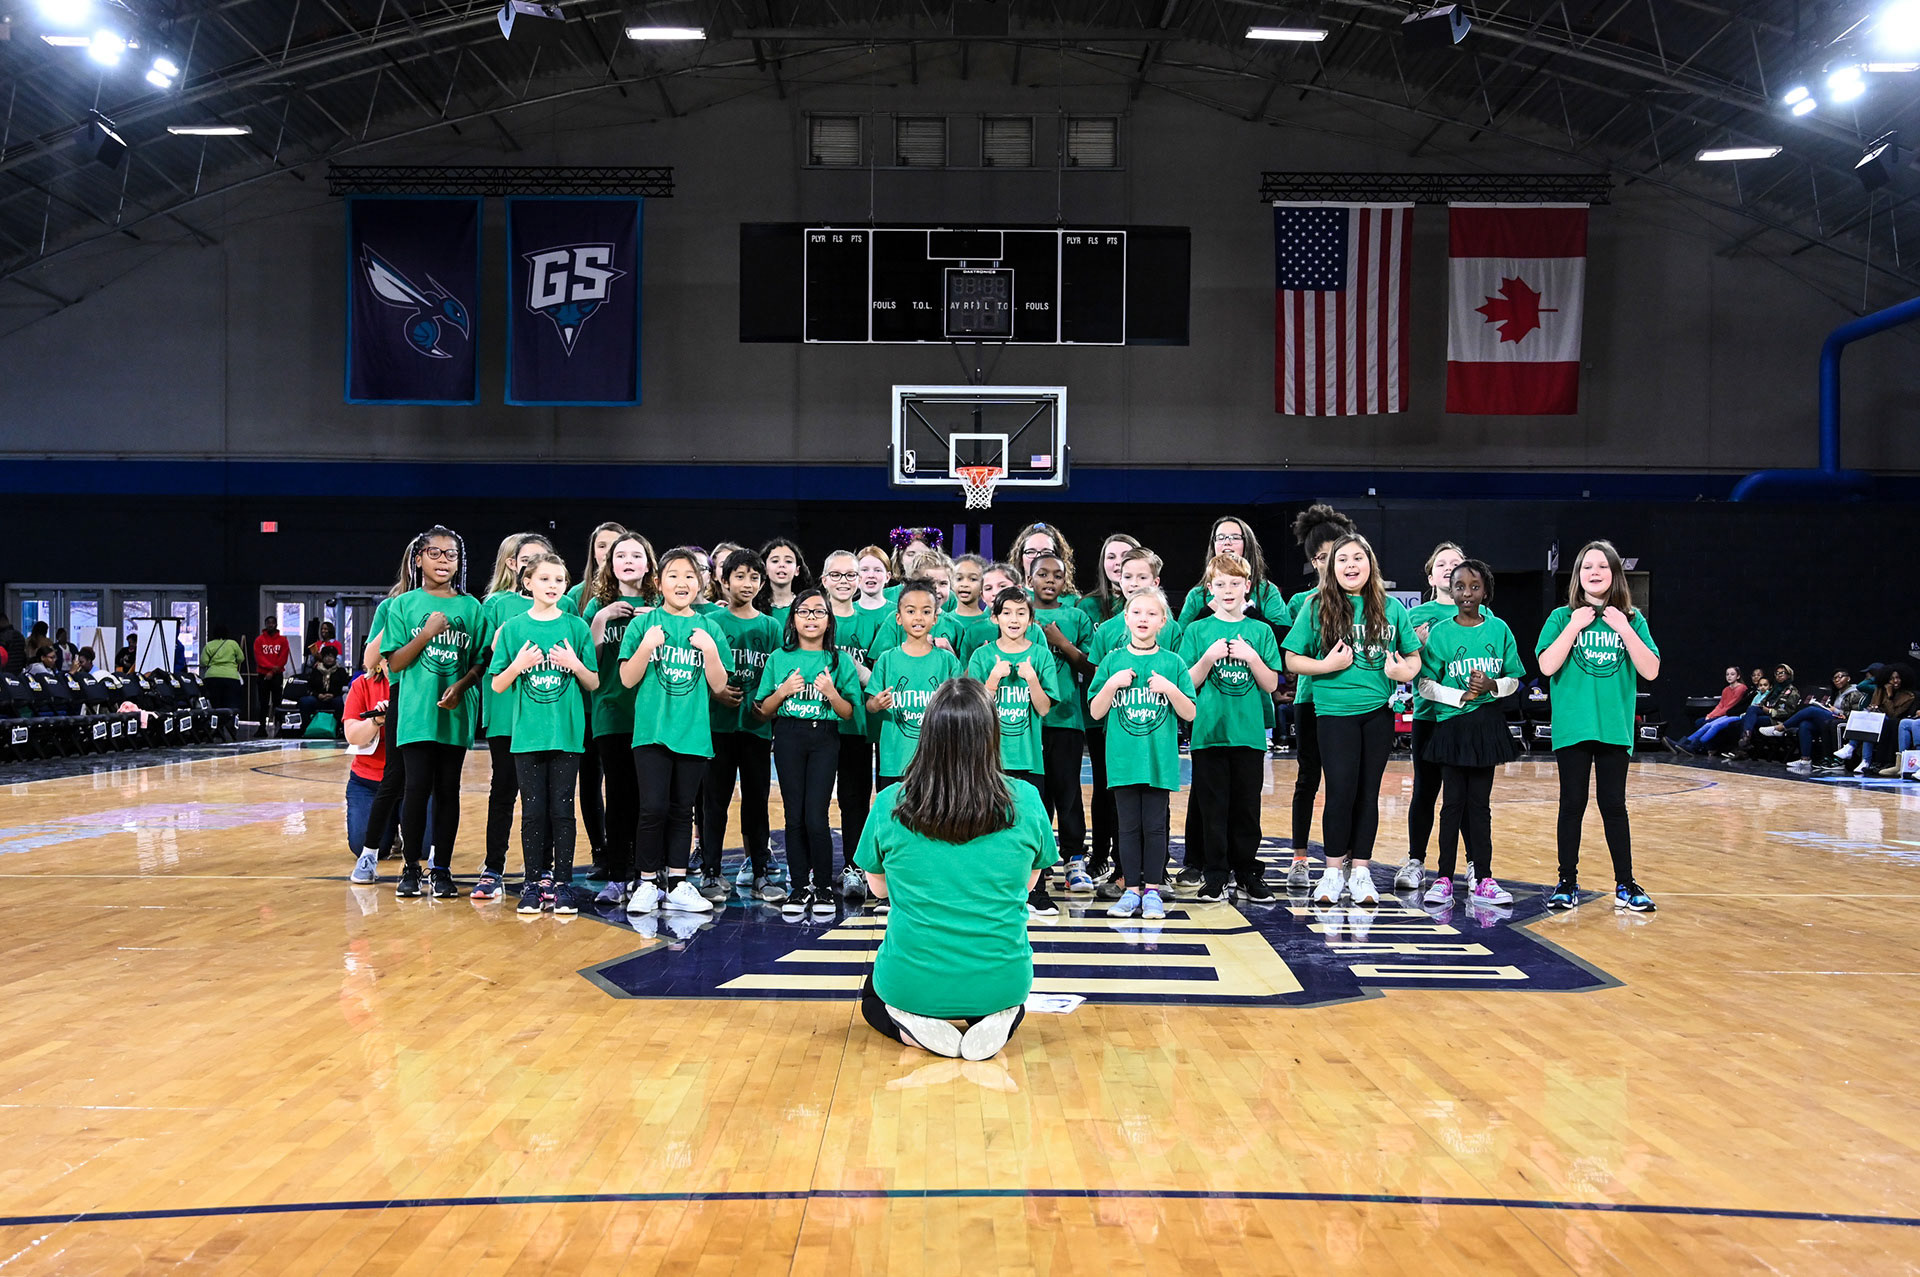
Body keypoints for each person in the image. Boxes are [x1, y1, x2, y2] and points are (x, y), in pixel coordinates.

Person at [854, 677, 1056, 1060]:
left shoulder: (889, 803)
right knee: (1004, 993)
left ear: (928, 734)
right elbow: (1028, 884)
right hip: (1002, 980)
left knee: (872, 999)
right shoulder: (1027, 800)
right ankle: (998, 1017)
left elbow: (879, 890)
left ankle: (915, 1027)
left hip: (911, 981)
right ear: (991, 734)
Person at [1283, 533, 1421, 907]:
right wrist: (1326, 666)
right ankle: (1331, 873)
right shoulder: (1316, 606)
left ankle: (1360, 872)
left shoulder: (1392, 608)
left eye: (1358, 557)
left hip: (1378, 712)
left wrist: (1402, 671)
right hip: (1334, 713)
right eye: (1342, 559)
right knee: (1340, 792)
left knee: (1367, 794)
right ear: (1330, 567)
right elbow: (1292, 659)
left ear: (1370, 563)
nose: (1350, 565)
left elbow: (1414, 659)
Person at [1534, 539, 1661, 913]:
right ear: (1577, 575)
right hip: (1574, 726)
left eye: (1602, 566)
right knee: (1571, 804)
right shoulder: (1561, 617)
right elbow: (1546, 666)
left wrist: (1623, 626)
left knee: (1614, 805)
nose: (1594, 572)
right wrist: (1574, 627)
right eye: (1587, 566)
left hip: (1613, 726)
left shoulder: (1632, 619)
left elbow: (1650, 670)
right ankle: (1566, 882)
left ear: (1614, 574)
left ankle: (1626, 883)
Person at [620, 547, 731, 916]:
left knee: (683, 811)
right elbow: (627, 678)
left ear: (700, 583)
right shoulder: (644, 625)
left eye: (688, 576)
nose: (681, 582)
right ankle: (648, 882)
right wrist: (646, 647)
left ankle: (680, 882)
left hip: (693, 734)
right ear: (658, 582)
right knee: (652, 808)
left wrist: (711, 650)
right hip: (651, 732)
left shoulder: (710, 628)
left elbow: (719, 685)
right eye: (673, 575)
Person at [383, 526, 492, 901]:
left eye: (451, 555)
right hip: (416, 712)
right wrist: (426, 633)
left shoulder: (471, 607)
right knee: (415, 789)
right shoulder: (402, 605)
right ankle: (411, 866)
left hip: (455, 712)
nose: (443, 561)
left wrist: (461, 687)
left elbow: (481, 661)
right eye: (435, 553)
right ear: (419, 558)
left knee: (448, 790)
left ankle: (441, 868)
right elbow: (395, 663)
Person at [489, 552, 600, 915]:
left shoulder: (576, 627)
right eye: (545, 579)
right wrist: (519, 665)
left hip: (567, 735)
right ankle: (533, 883)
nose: (553, 586)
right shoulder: (515, 628)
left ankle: (564, 883)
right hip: (527, 736)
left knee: (563, 811)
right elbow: (498, 684)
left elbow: (593, 682)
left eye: (559, 580)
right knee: (533, 812)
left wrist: (575, 664)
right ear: (527, 582)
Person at [1414, 560, 1523, 907]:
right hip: (1451, 726)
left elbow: (1515, 679)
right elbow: (1425, 684)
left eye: (1474, 587)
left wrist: (1493, 685)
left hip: (1486, 727)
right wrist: (1458, 695)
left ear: (1485, 592)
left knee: (1480, 805)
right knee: (1451, 805)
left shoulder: (1499, 629)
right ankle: (1444, 877)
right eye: (1460, 586)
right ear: (1451, 589)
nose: (1466, 593)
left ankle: (1485, 877)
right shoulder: (1442, 632)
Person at [1179, 552, 1284, 903]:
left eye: (1235, 583)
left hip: (1248, 735)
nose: (1228, 589)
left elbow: (1271, 684)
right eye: (1220, 584)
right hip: (1209, 734)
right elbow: (1186, 683)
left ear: (1247, 587)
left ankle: (1247, 872)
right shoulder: (1196, 630)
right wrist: (1208, 658)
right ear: (1209, 588)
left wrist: (1251, 657)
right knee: (1212, 807)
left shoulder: (1260, 631)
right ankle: (1215, 874)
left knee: (1246, 808)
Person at [1090, 587, 1197, 921]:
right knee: (1127, 828)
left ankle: (1152, 890)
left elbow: (1190, 713)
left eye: (1151, 614)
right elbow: (1095, 712)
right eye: (1137, 612)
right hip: (1122, 762)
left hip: (1158, 762)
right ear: (1126, 618)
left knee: (1154, 828)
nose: (1143, 619)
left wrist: (1170, 689)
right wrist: (1111, 685)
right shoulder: (1112, 661)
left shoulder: (1173, 662)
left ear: (1162, 621)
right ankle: (1130, 891)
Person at [756, 587, 862, 918]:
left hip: (825, 737)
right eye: (804, 611)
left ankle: (823, 888)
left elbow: (848, 713)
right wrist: (784, 691)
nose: (811, 618)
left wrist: (830, 692)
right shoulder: (779, 658)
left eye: (819, 612)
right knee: (794, 815)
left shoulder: (839, 661)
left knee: (816, 816)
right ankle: (800, 886)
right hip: (788, 736)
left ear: (830, 621)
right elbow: (763, 710)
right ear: (793, 619)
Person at [967, 588, 1060, 916]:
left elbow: (1045, 708)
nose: (1014, 619)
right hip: (989, 759)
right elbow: (971, 710)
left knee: (1031, 823)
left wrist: (1033, 679)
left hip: (1029, 757)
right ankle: (988, 889)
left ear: (1031, 619)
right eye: (1007, 612)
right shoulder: (981, 656)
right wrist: (991, 682)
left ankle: (1037, 890)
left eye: (1021, 613)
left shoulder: (1040, 654)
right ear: (995, 617)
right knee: (987, 822)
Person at [1281, 503, 1358, 891]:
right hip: (1311, 701)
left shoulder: (1366, 600)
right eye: (1326, 557)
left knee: (1345, 783)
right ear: (1315, 560)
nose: (1334, 563)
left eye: (1341, 554)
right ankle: (1298, 856)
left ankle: (1342, 859)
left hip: (1352, 706)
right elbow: (1293, 656)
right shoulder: (1303, 603)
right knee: (1308, 778)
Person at [702, 549, 783, 902]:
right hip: (718, 727)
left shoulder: (770, 626)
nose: (746, 583)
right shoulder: (713, 622)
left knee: (756, 801)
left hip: (756, 728)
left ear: (762, 582)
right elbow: (698, 669)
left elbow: (781, 673)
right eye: (739, 576)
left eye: (754, 577)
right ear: (724, 580)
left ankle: (761, 872)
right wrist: (716, 692)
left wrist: (768, 708)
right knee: (714, 802)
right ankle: (710, 871)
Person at [474, 533, 549, 902]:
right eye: (528, 559)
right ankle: (493, 868)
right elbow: (485, 657)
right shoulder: (497, 605)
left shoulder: (561, 603)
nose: (536, 565)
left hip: (545, 716)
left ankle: (544, 870)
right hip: (506, 715)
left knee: (546, 798)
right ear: (514, 566)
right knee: (503, 792)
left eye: (544, 558)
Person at [583, 532, 655, 906]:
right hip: (611, 710)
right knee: (619, 797)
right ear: (609, 565)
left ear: (648, 563)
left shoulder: (661, 603)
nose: (628, 561)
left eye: (636, 555)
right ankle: (616, 875)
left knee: (650, 799)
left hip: (654, 714)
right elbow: (585, 662)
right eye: (620, 555)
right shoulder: (598, 604)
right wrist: (600, 619)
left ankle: (649, 874)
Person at [1395, 541, 1466, 894]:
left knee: (1465, 795)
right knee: (1424, 790)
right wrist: (1416, 647)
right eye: (1442, 564)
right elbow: (1399, 670)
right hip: (1428, 716)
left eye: (1456, 563)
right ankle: (1416, 860)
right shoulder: (1414, 617)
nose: (1449, 569)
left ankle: (1473, 864)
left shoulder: (1484, 616)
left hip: (1467, 718)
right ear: (1430, 573)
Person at [1030, 553, 1097, 895]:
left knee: (1068, 793)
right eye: (1042, 574)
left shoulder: (1077, 617)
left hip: (1067, 718)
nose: (1050, 580)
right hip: (1025, 724)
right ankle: (1034, 862)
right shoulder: (1020, 614)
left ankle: (1074, 859)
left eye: (1057, 575)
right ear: (1031, 579)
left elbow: (1092, 668)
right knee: (1033, 796)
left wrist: (1062, 644)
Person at [566, 521, 628, 883]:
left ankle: (627, 849)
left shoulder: (646, 596)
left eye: (616, 547)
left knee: (623, 784)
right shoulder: (578, 596)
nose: (607, 553)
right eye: (602, 546)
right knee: (590, 782)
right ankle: (600, 850)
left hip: (620, 705)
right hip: (585, 704)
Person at [867, 583, 962, 792]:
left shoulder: (947, 661)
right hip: (895, 761)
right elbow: (870, 705)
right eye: (911, 611)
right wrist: (877, 703)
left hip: (936, 760)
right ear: (899, 618)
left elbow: (961, 707)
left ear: (935, 618)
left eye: (926, 611)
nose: (918, 617)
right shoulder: (887, 659)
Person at [344, 653, 409, 883]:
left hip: (412, 781)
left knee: (421, 847)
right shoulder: (362, 684)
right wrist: (376, 721)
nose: (392, 661)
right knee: (362, 844)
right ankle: (388, 831)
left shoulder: (417, 685)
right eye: (386, 657)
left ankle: (396, 828)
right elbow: (352, 736)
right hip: (368, 781)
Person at [1767, 667, 1864, 772]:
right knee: (1805, 724)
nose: (1837, 680)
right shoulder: (1837, 693)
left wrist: (1836, 711)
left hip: (1845, 721)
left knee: (1812, 710)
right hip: (1832, 719)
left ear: (1848, 678)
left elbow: (1856, 714)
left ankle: (1781, 727)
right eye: (1835, 678)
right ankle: (1805, 760)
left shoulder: (1855, 693)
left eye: (1840, 677)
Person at [759, 537, 811, 628]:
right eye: (775, 561)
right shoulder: (753, 606)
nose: (782, 565)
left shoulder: (809, 606)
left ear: (797, 570)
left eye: (788, 561)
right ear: (765, 569)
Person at [253, 617, 292, 736]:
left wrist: (273, 671)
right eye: (268, 623)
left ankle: (279, 726)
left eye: (272, 623)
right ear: (265, 624)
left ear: (276, 624)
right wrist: (271, 669)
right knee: (263, 702)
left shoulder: (283, 640)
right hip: (263, 675)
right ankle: (262, 727)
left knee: (277, 702)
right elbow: (259, 658)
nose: (270, 625)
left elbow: (283, 657)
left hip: (276, 675)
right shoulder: (259, 640)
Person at [299, 648, 350, 737]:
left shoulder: (340, 671)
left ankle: (339, 729)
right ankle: (306, 727)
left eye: (331, 656)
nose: (328, 659)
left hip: (334, 697)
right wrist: (318, 695)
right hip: (318, 697)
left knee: (340, 702)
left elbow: (343, 687)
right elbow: (310, 687)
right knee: (305, 701)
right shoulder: (316, 670)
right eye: (326, 656)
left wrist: (333, 694)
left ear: (335, 658)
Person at [200, 624, 245, 716]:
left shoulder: (209, 645)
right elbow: (241, 658)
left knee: (215, 706)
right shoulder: (233, 644)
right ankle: (229, 726)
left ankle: (216, 727)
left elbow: (204, 662)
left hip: (212, 677)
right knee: (231, 705)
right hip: (231, 677)